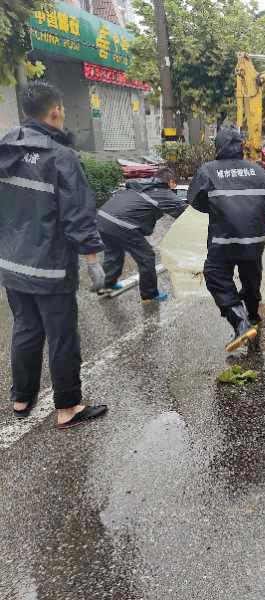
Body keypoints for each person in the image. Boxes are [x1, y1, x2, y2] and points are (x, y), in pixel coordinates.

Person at [0, 81, 108, 428]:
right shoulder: (60, 157)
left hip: (11, 262)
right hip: (50, 267)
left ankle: (21, 399)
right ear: (56, 110)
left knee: (26, 328)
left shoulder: (5, 149)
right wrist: (93, 260)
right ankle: (67, 407)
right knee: (62, 335)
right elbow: (77, 215)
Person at [187, 127, 265, 352]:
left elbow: (195, 200)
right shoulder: (257, 170)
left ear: (218, 147)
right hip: (255, 240)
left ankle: (240, 322)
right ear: (240, 146)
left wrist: (217, 209)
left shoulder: (208, 171)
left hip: (224, 239)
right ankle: (253, 317)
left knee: (215, 274)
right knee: (251, 276)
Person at [97, 167, 187, 302]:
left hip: (102, 218)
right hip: (121, 224)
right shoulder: (163, 192)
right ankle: (149, 295)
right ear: (171, 182)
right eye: (174, 183)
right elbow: (186, 213)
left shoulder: (142, 184)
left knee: (113, 252)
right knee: (146, 256)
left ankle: (106, 285)